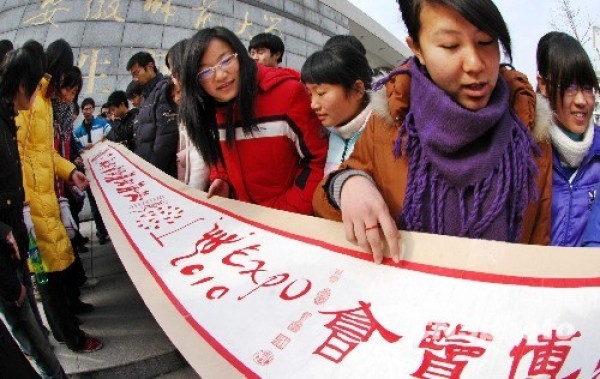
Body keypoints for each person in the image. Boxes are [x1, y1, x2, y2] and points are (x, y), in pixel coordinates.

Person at [313, 0, 552, 263]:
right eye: (451, 45)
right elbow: (325, 204)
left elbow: (541, 245)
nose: (474, 64)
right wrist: (348, 184)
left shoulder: (528, 130)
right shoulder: (390, 121)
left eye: (486, 42)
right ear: (417, 48)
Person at [180, 26, 327, 214]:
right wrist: (222, 178)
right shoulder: (208, 108)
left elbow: (318, 159)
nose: (220, 75)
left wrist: (287, 212)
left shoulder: (288, 94)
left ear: (240, 55)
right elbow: (222, 154)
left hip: (288, 222)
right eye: (206, 72)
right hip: (245, 222)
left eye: (225, 61)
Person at [16, 39, 103, 353]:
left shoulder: (44, 99)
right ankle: (71, 336)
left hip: (46, 198)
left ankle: (71, 313)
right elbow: (17, 156)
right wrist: (25, 203)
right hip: (31, 203)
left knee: (61, 260)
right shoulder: (29, 99)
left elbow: (45, 153)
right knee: (46, 276)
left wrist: (69, 172)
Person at [0, 40, 68, 378]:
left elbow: (42, 155)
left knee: (32, 330)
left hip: (16, 233)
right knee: (29, 334)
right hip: (8, 248)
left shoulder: (11, 113)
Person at [535, 31, 600, 247]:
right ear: (542, 84)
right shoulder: (527, 153)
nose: (581, 101)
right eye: (570, 87)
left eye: (587, 88)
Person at [301, 43, 373, 176]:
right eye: (310, 94)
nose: (313, 105)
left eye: (321, 93)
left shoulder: (387, 137)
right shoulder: (325, 135)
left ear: (357, 89)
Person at [167, 39, 210, 190]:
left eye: (172, 71)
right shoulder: (190, 102)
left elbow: (201, 158)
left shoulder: (200, 102)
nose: (171, 77)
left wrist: (193, 193)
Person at [127, 51, 179, 177]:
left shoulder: (164, 89)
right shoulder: (147, 95)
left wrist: (152, 170)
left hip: (160, 172)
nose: (135, 78)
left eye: (137, 73)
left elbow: (166, 135)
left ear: (150, 67)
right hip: (148, 168)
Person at [73, 97, 111, 245]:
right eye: (85, 109)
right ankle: (101, 232)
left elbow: (111, 138)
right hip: (89, 172)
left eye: (89, 108)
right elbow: (76, 151)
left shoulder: (102, 124)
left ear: (93, 109)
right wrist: (84, 149)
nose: (87, 111)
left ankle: (109, 230)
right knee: (95, 205)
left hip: (104, 170)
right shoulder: (78, 131)